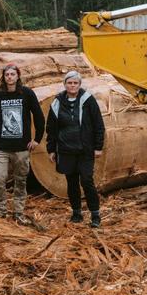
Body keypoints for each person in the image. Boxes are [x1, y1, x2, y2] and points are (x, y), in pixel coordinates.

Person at [0, 64, 45, 224]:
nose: (10, 77)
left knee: (20, 181)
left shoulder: (27, 94)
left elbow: (38, 116)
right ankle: (0, 211)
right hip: (1, 148)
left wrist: (37, 139)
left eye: (12, 74)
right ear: (3, 77)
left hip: (21, 148)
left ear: (18, 76)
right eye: (7, 74)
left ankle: (18, 212)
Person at [45, 71, 105, 227]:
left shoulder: (88, 100)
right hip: (65, 150)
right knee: (71, 183)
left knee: (87, 181)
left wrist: (98, 147)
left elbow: (98, 124)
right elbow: (51, 128)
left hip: (85, 150)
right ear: (65, 84)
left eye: (75, 83)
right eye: (69, 83)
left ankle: (95, 216)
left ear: (79, 84)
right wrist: (51, 149)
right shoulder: (57, 102)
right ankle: (76, 213)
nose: (72, 86)